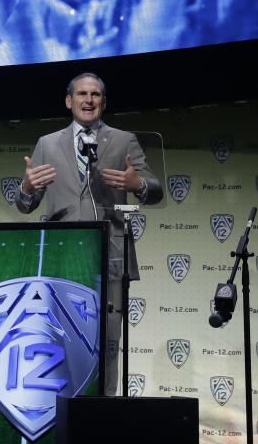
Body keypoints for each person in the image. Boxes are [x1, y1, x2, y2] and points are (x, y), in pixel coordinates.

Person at [16, 72, 162, 395]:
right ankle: (63, 415)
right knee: (62, 340)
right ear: (69, 101)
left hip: (110, 259)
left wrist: (137, 184)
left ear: (104, 102)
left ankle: (104, 414)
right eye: (81, 94)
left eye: (95, 95)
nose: (88, 100)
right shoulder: (47, 144)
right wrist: (26, 187)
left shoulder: (124, 141)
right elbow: (25, 205)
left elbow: (155, 190)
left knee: (108, 344)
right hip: (61, 258)